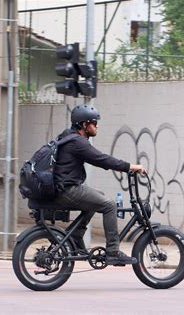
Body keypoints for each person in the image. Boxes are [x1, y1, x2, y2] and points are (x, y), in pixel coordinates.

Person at [53, 104, 146, 266]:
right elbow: (102, 159)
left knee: (99, 197)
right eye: (94, 123)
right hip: (67, 190)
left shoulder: (68, 137)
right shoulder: (77, 142)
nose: (97, 126)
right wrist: (130, 166)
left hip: (63, 188)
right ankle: (113, 251)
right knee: (109, 205)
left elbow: (100, 159)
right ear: (84, 125)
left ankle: (75, 236)